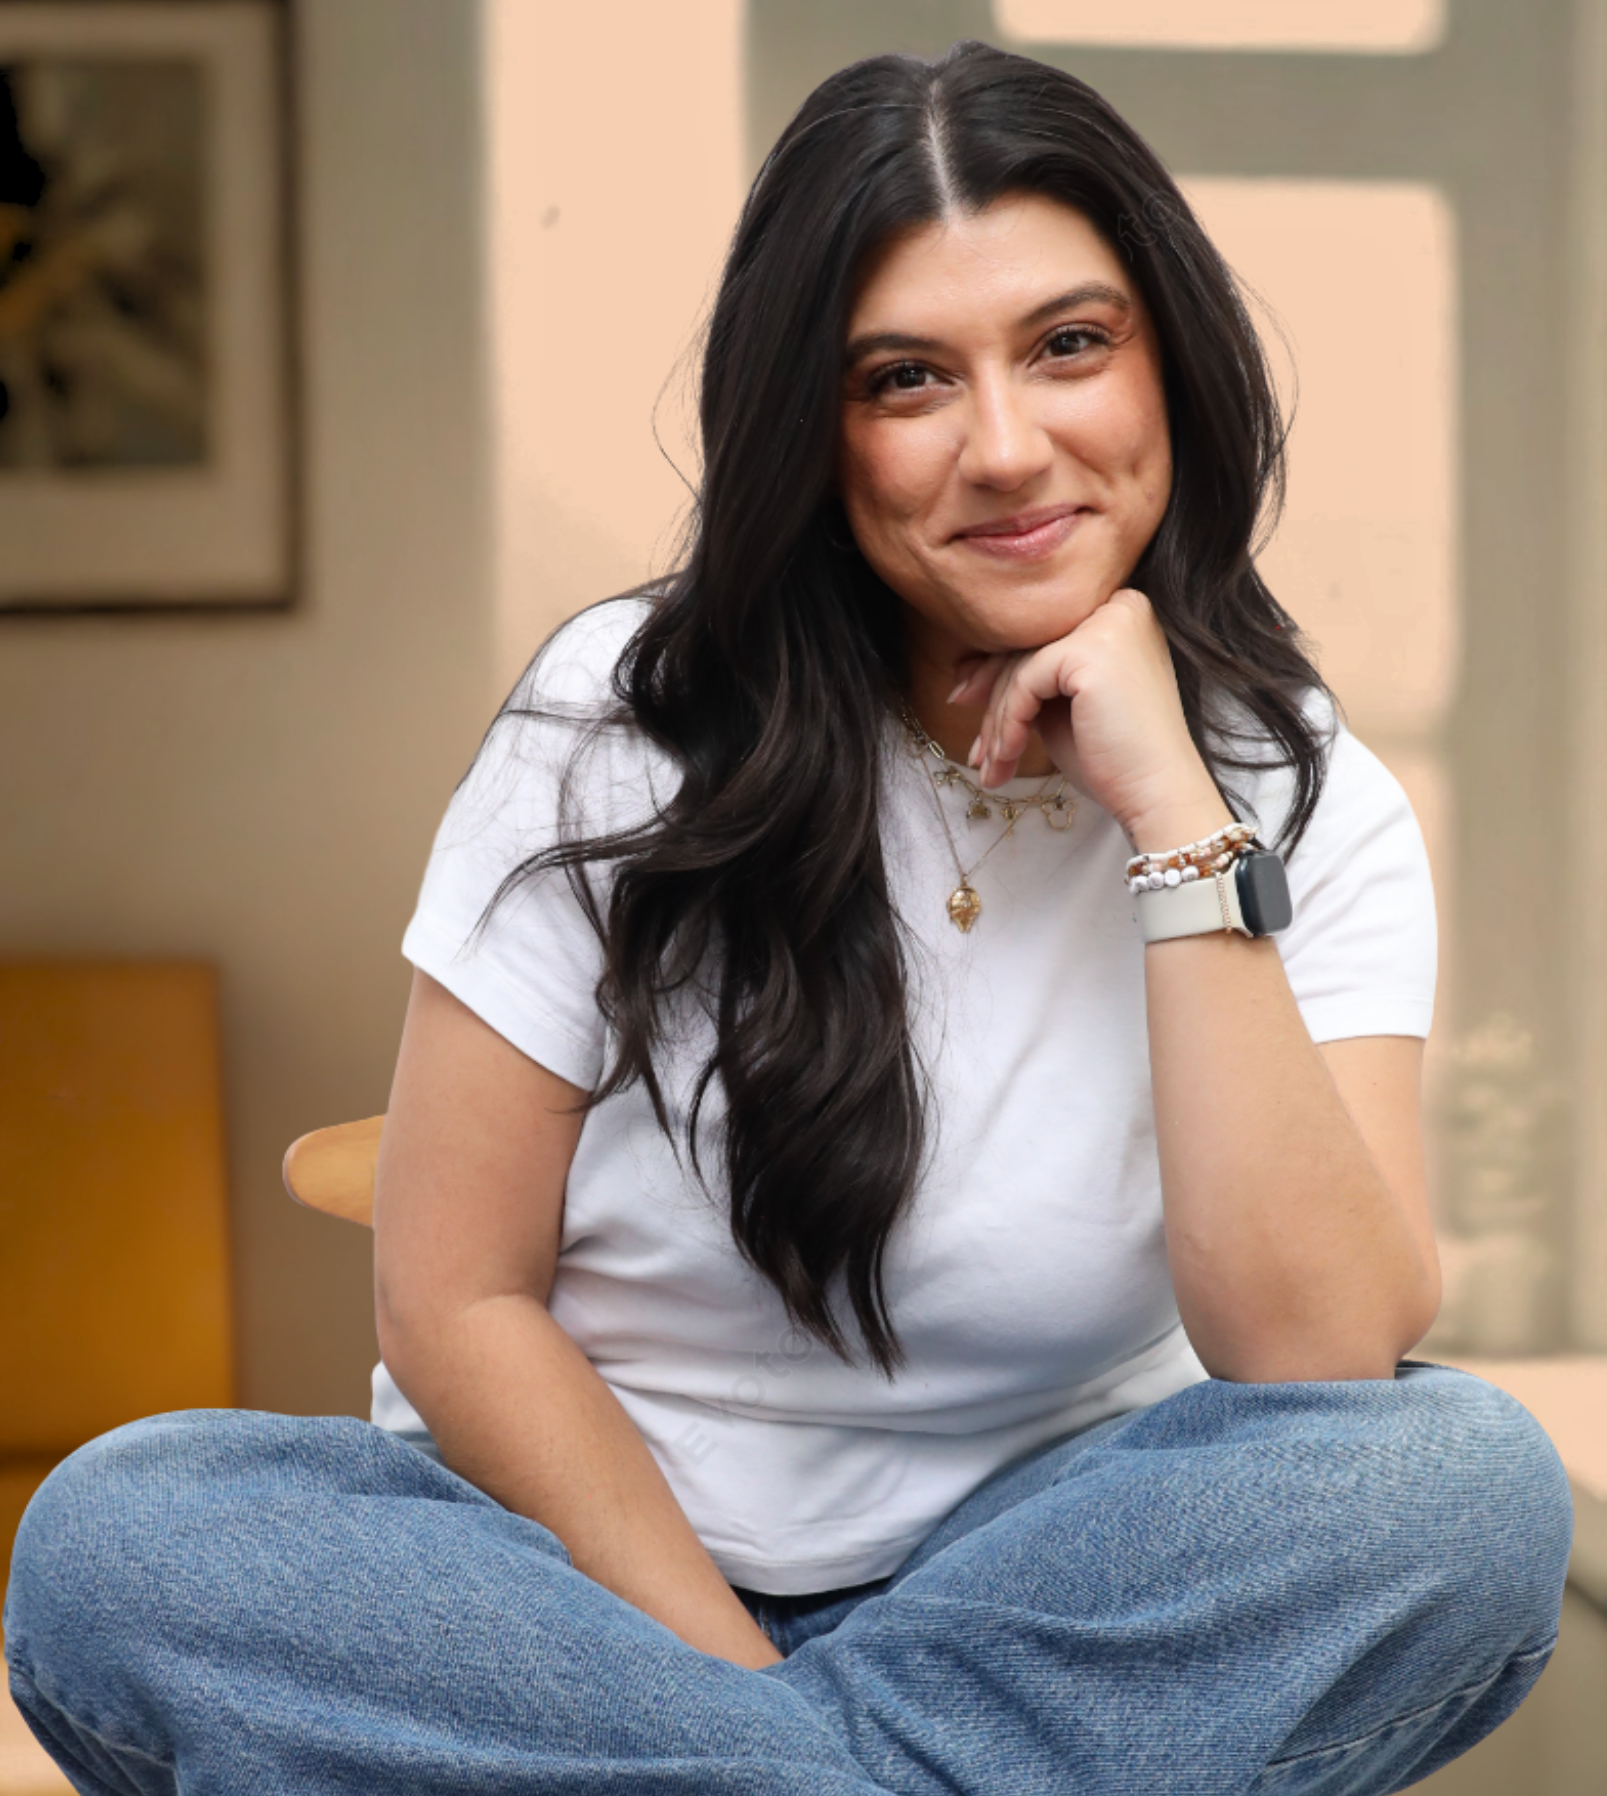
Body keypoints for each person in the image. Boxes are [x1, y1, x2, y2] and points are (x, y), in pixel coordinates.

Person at [6, 39, 1572, 1796]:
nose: (1002, 447)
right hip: (575, 1597)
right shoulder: (622, 721)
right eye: (904, 379)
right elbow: (452, 1300)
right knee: (119, 1541)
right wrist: (745, 1708)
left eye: (1068, 344)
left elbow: (1316, 1359)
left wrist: (1173, 819)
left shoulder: (1294, 794)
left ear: (1170, 363)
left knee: (1458, 1488)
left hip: (1044, 1596)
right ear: (810, 434)